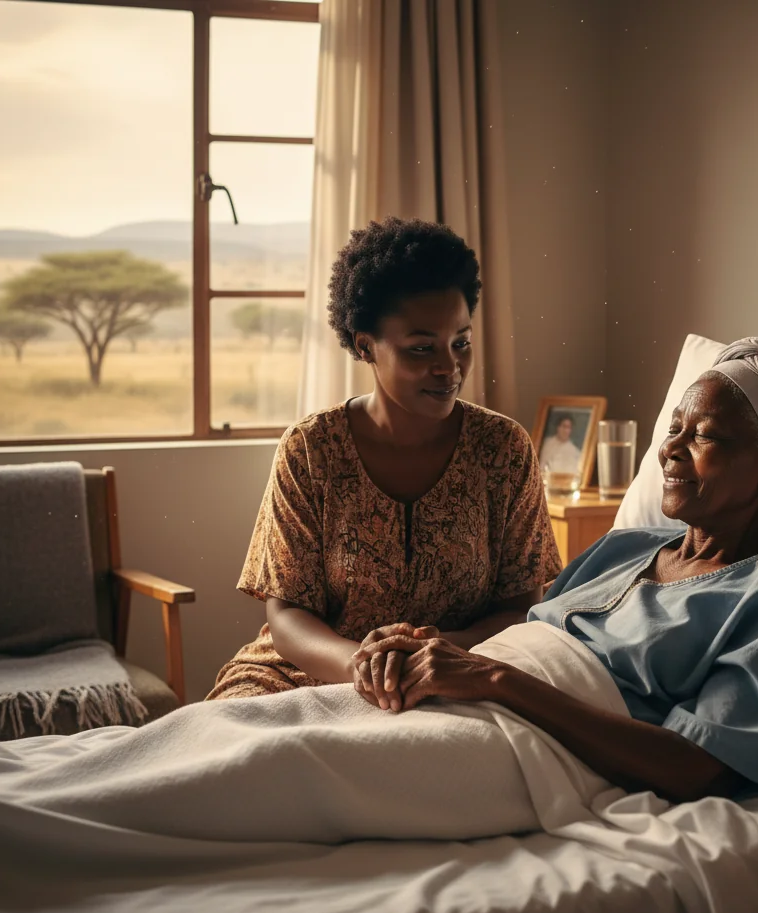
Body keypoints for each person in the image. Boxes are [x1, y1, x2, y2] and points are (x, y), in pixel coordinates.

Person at [352, 337, 758, 802]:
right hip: (458, 704)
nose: (670, 449)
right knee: (285, 725)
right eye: (674, 429)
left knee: (291, 771)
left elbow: (700, 768)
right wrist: (422, 647)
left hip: (529, 749)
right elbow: (526, 635)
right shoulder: (625, 546)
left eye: (705, 436)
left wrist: (497, 681)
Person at [206, 217, 563, 707]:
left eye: (461, 342)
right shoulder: (310, 450)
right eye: (421, 348)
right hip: (306, 672)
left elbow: (520, 607)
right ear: (364, 345)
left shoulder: (503, 449)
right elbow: (286, 616)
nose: (449, 366)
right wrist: (363, 664)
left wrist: (431, 659)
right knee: (237, 752)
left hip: (457, 673)